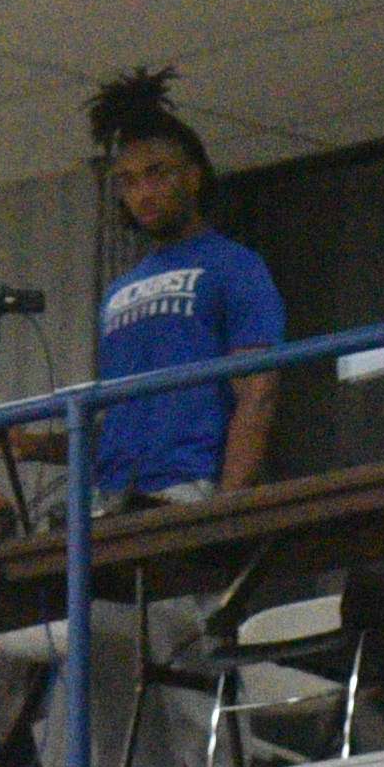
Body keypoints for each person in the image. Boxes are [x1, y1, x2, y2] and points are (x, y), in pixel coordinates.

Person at [73, 70, 281, 508]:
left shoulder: (234, 264)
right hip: (109, 499)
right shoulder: (117, 292)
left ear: (193, 177)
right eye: (128, 181)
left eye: (156, 173)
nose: (143, 192)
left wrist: (228, 506)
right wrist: (33, 447)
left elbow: (257, 391)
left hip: (189, 487)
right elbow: (119, 415)